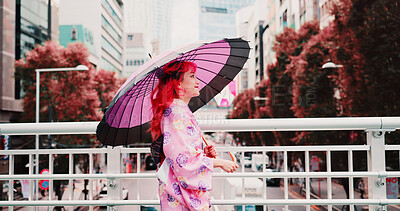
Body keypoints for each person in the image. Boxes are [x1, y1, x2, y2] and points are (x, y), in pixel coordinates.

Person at [150, 60, 239, 210]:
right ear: (178, 84)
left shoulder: (178, 110)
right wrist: (220, 163)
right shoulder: (177, 113)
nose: (197, 81)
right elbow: (182, 161)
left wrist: (203, 153)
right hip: (178, 198)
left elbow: (182, 151)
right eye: (192, 76)